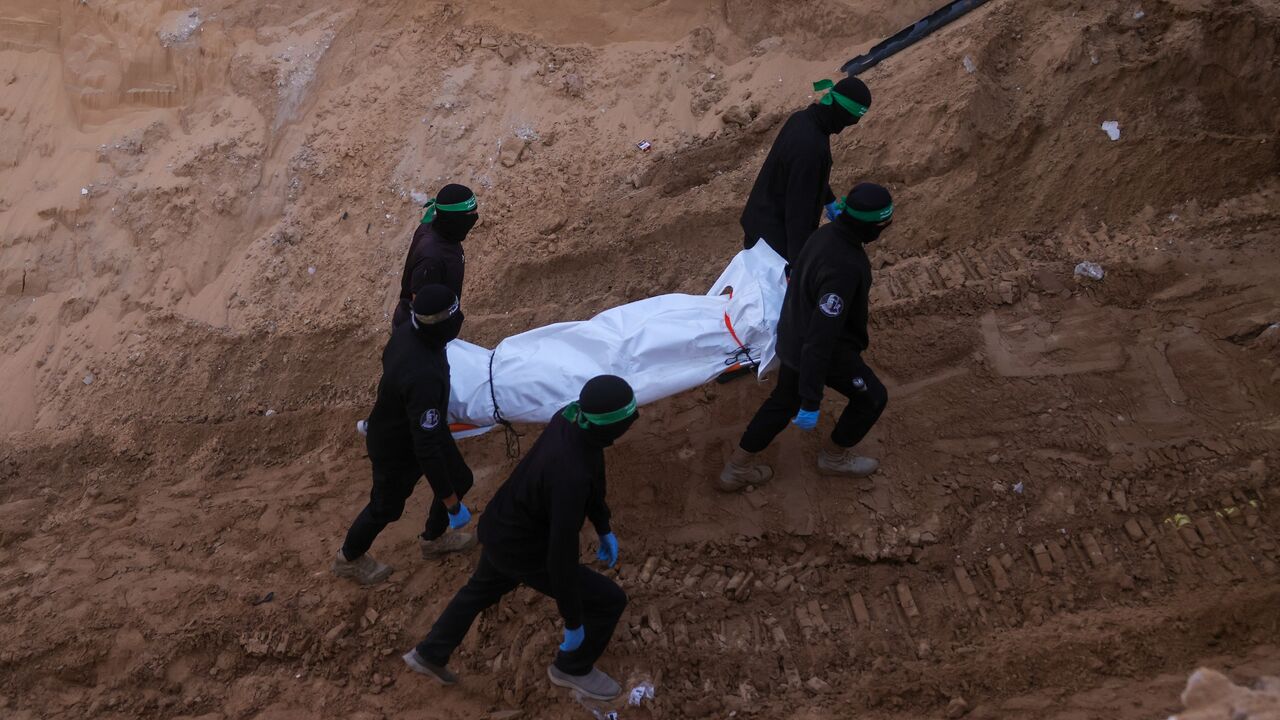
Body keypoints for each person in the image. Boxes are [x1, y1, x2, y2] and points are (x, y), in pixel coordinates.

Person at [401, 375, 636, 701]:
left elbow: (595, 469)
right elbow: (560, 556)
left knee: (480, 588)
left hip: (501, 525)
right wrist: (572, 620)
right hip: (525, 548)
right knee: (609, 600)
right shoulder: (571, 476)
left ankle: (430, 652)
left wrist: (603, 525)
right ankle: (572, 667)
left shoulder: (570, 417)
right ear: (610, 429)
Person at [720, 183, 894, 491]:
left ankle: (735, 468)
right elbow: (821, 337)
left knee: (782, 402)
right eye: (882, 225)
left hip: (793, 334)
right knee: (872, 398)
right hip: (822, 350)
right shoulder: (845, 266)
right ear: (871, 227)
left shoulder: (823, 235)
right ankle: (834, 458)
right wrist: (812, 399)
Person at [332, 285, 477, 585]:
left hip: (420, 429)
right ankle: (349, 557)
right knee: (386, 508)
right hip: (396, 447)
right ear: (441, 327)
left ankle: (432, 540)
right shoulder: (422, 376)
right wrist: (451, 504)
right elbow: (425, 449)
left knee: (461, 478)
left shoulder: (408, 334)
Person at [740, 76, 872, 265]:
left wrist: (830, 200)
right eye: (850, 121)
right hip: (773, 247)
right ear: (842, 114)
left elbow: (804, 176)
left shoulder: (802, 119)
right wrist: (798, 267)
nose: (846, 127)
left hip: (759, 225)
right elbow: (798, 216)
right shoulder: (812, 148)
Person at [392, 183, 479, 328]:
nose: (475, 218)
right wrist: (437, 338)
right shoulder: (431, 258)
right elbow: (422, 309)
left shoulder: (439, 229)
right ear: (455, 219)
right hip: (420, 334)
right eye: (470, 215)